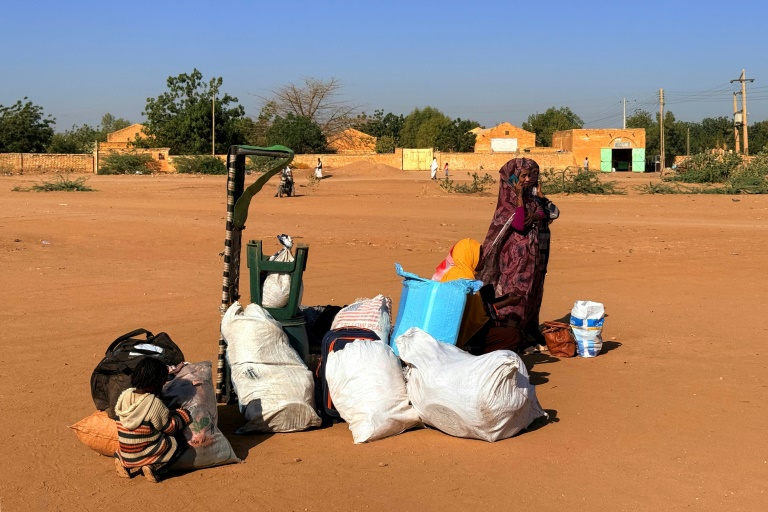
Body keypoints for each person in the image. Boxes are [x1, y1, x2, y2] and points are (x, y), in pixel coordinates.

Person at [478, 158, 546, 346]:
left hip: (531, 256)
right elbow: (518, 224)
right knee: (514, 292)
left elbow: (545, 213)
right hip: (513, 258)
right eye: (523, 176)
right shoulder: (509, 201)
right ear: (513, 177)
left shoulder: (532, 198)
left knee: (530, 291)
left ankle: (525, 330)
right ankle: (511, 333)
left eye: (532, 175)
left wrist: (535, 213)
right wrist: (519, 198)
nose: (528, 180)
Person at [432, 238, 528, 354]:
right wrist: (508, 302)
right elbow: (478, 312)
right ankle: (473, 351)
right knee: (514, 336)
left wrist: (505, 299)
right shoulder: (464, 280)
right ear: (469, 256)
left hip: (455, 329)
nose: (483, 258)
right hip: (464, 335)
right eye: (479, 254)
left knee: (487, 291)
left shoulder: (454, 272)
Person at [114, 357, 191, 483]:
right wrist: (181, 415)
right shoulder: (154, 404)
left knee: (137, 439)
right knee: (178, 444)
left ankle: (122, 463)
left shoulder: (124, 396)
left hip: (126, 452)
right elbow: (169, 428)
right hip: (145, 451)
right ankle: (154, 467)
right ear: (156, 384)